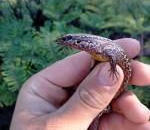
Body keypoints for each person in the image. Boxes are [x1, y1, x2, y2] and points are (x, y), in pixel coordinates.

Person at [10, 38, 150, 130]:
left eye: (70, 41)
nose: (67, 43)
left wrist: (113, 69)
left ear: (81, 43)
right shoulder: (95, 49)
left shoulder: (100, 48)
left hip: (119, 83)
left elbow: (111, 55)